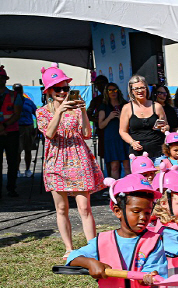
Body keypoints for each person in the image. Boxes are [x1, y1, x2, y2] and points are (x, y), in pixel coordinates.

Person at [37, 64, 105, 259]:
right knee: (61, 208)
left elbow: (86, 134)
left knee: (85, 207)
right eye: (57, 88)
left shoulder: (76, 109)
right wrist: (59, 112)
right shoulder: (41, 112)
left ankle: (92, 247)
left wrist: (83, 111)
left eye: (65, 87)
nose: (62, 92)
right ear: (49, 91)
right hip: (55, 162)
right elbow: (49, 134)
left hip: (78, 158)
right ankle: (69, 248)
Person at [120, 75, 168, 160]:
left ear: (146, 89)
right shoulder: (127, 108)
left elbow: (166, 125)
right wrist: (132, 142)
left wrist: (164, 128)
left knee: (160, 173)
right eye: (136, 89)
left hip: (158, 152)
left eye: (142, 88)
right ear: (131, 91)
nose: (140, 91)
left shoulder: (157, 106)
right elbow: (123, 131)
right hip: (137, 153)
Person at [98, 82, 130, 179]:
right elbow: (100, 125)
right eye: (110, 90)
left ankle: (130, 188)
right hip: (111, 138)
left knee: (127, 165)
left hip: (124, 138)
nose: (113, 92)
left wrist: (121, 117)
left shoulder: (125, 104)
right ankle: (114, 190)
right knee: (114, 166)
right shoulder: (104, 106)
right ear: (106, 92)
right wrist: (109, 117)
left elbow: (131, 123)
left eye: (115, 90)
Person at [0, 66, 22, 197]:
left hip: (11, 132)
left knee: (12, 162)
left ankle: (11, 188)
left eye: (1, 78)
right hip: (3, 131)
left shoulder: (15, 96)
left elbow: (17, 113)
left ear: (5, 80)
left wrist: (4, 125)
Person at [13, 83, 37, 178]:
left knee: (28, 150)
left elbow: (37, 114)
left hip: (28, 127)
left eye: (19, 90)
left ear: (22, 90)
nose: (18, 92)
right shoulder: (11, 101)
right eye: (16, 90)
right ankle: (17, 170)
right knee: (17, 151)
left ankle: (27, 169)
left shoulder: (28, 102)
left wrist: (37, 127)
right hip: (17, 127)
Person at [87, 75, 109, 161]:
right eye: (97, 84)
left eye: (101, 83)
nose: (99, 86)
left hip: (115, 130)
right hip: (102, 131)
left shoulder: (115, 98)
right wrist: (98, 120)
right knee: (105, 156)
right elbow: (88, 114)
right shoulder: (96, 100)